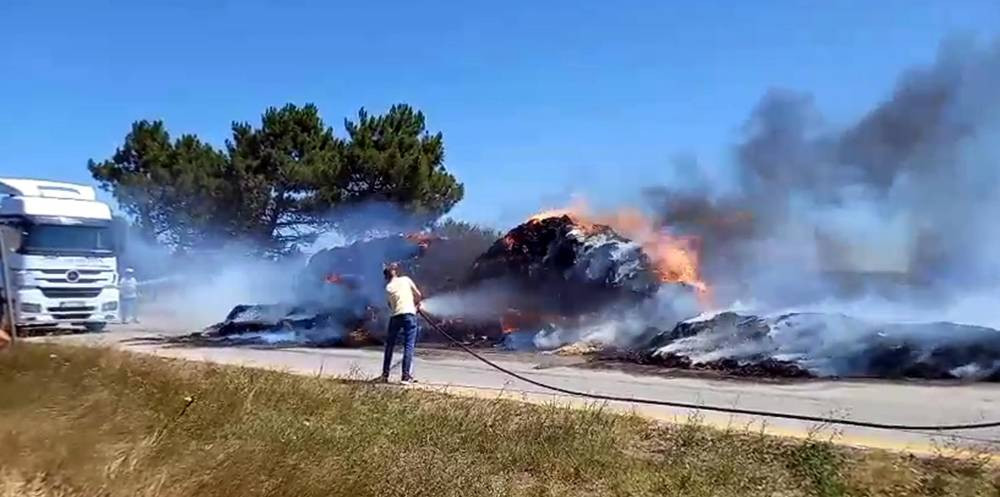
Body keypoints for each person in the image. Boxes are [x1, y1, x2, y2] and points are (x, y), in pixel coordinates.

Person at [380, 262, 423, 384]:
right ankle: (405, 377)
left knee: (389, 346)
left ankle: (385, 375)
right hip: (409, 315)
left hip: (395, 317)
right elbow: (418, 295)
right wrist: (417, 305)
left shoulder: (388, 288)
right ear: (395, 271)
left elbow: (390, 305)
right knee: (408, 346)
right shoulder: (406, 280)